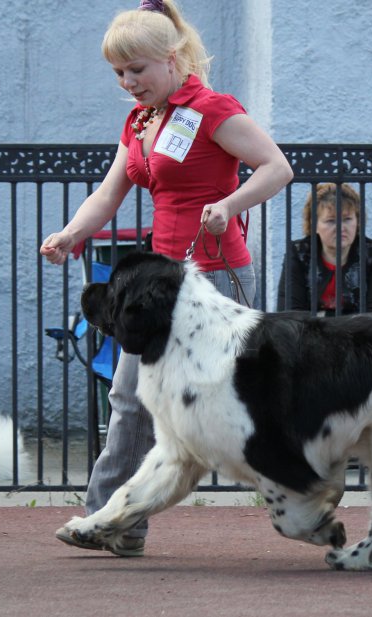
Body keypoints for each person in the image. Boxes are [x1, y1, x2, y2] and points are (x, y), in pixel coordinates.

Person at [40, 0, 293, 555]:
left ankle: (302, 492)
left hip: (212, 277)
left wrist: (230, 203)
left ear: (172, 58)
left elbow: (277, 167)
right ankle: (112, 521)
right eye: (119, 73)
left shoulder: (213, 108)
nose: (128, 82)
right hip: (156, 287)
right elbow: (108, 194)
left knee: (231, 404)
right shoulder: (140, 121)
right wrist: (69, 234)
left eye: (137, 69)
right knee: (129, 397)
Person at [277, 183, 372, 315]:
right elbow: (289, 315)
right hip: (310, 336)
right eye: (331, 220)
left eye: (347, 219)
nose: (340, 227)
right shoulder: (299, 253)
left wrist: (322, 317)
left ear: (358, 221)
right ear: (314, 224)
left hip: (362, 335)